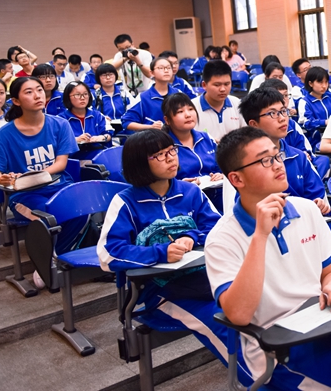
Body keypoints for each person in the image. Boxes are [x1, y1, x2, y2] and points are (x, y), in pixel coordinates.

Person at [207, 127, 331, 390]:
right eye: (265, 160)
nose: (279, 164)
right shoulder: (222, 238)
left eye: (277, 155)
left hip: (323, 322)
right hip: (277, 346)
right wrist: (260, 236)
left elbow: (329, 271)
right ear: (236, 178)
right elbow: (239, 315)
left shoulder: (306, 209)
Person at [96, 130, 234, 376]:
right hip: (161, 292)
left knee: (250, 308)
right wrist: (159, 252)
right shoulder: (125, 202)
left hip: (206, 280)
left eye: (172, 150)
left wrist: (191, 236)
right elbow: (109, 254)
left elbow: (218, 229)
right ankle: (257, 380)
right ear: (139, 162)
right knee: (223, 323)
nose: (171, 157)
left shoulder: (191, 192)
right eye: (159, 155)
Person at [238, 87, 331, 278]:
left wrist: (319, 205)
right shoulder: (245, 164)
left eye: (283, 111)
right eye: (272, 114)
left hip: (313, 227)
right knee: (327, 268)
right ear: (253, 124)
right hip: (274, 235)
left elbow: (319, 198)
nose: (282, 118)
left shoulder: (298, 157)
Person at [0, 77, 81, 259]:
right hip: (24, 195)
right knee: (50, 216)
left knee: (81, 210)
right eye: (29, 92)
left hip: (59, 186)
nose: (37, 95)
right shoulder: (5, 134)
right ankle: (51, 261)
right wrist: (3, 178)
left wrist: (38, 175)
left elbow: (61, 163)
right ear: (16, 101)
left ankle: (54, 258)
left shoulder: (60, 124)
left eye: (39, 90)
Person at [161, 93, 223, 185]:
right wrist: (180, 184)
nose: (188, 115)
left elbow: (223, 166)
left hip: (216, 189)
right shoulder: (162, 146)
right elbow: (161, 181)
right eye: (180, 112)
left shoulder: (206, 137)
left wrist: (222, 175)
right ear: (167, 120)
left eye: (190, 109)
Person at [192, 60, 247, 142]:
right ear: (204, 85)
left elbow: (246, 134)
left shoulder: (237, 103)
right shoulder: (192, 107)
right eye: (217, 85)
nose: (223, 89)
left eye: (227, 84)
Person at [121, 57, 181, 132]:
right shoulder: (143, 97)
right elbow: (126, 122)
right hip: (152, 137)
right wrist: (150, 127)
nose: (166, 71)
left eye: (168, 68)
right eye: (161, 68)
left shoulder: (179, 94)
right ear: (152, 73)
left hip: (176, 137)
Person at [58, 80, 113, 152]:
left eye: (85, 94)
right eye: (77, 95)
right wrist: (76, 140)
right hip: (72, 156)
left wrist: (101, 137)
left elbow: (109, 134)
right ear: (68, 97)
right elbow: (57, 141)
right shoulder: (60, 119)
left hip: (98, 153)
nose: (82, 98)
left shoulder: (97, 115)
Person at [261, 78, 311, 153]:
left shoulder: (292, 124)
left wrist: (304, 154)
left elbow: (306, 150)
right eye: (279, 96)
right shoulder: (264, 123)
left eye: (286, 95)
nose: (284, 100)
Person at [296, 66, 331, 149]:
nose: (324, 86)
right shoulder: (305, 102)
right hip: (316, 142)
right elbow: (307, 123)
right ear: (310, 83)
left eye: (326, 82)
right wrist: (325, 122)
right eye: (320, 82)